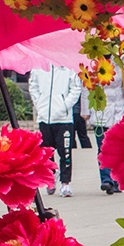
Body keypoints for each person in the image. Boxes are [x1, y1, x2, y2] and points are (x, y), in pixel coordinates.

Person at [29, 64, 83, 197]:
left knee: (65, 152)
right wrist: (39, 105)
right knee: (47, 153)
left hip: (64, 119)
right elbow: (33, 86)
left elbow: (76, 88)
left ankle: (65, 183)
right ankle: (50, 179)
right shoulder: (38, 66)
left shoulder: (68, 67)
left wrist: (64, 106)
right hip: (44, 118)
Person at [90, 61, 124, 195]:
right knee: (102, 147)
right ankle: (106, 179)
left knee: (119, 149)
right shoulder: (93, 62)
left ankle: (118, 180)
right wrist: (86, 110)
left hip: (119, 111)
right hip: (100, 111)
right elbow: (87, 86)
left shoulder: (122, 62)